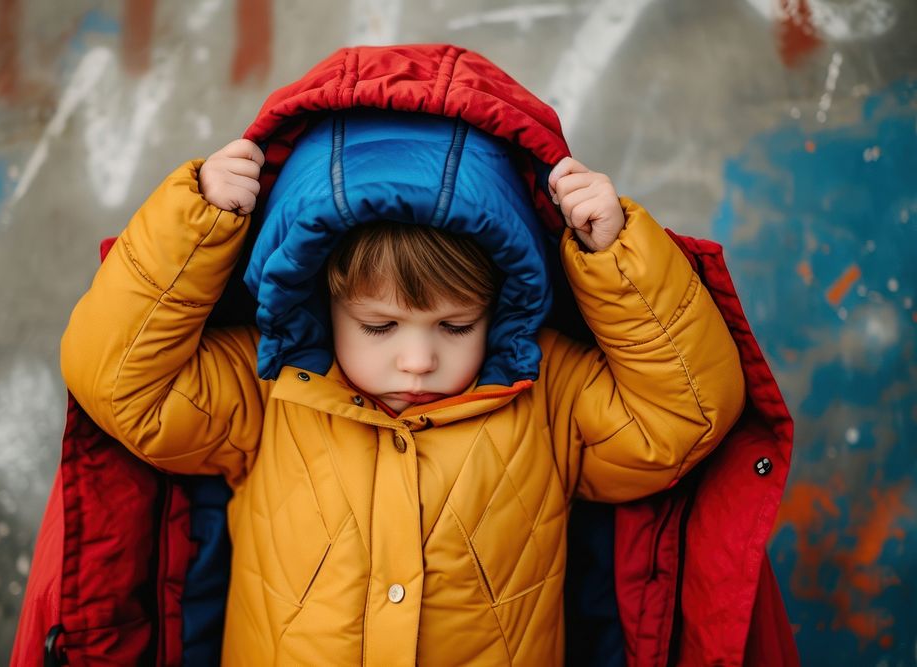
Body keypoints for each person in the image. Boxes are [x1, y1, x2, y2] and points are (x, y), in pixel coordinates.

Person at [59, 92, 745, 666]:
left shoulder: (546, 392)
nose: (417, 360)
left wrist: (617, 256)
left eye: (454, 327)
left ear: (500, 306)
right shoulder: (270, 386)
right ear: (322, 302)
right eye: (380, 328)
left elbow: (684, 417)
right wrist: (197, 223)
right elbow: (117, 381)